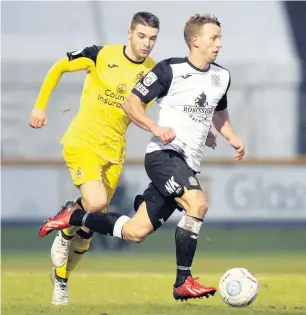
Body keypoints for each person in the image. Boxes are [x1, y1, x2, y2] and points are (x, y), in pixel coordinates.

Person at [39, 13, 244, 301]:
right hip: (149, 153)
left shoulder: (216, 75)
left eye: (153, 38)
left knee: (135, 231)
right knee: (197, 202)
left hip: (146, 157)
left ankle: (73, 216)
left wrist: (224, 135)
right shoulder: (157, 67)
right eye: (214, 37)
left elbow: (207, 110)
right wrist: (155, 128)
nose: (219, 43)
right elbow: (130, 102)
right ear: (195, 40)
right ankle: (182, 281)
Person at [29, 11, 160, 305]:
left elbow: (146, 109)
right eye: (141, 36)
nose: (146, 43)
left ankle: (61, 280)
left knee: (88, 229)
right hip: (83, 142)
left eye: (152, 39)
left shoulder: (153, 73)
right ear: (129, 32)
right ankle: (65, 229)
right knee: (97, 203)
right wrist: (39, 107)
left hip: (114, 153)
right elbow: (59, 67)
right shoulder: (100, 55)